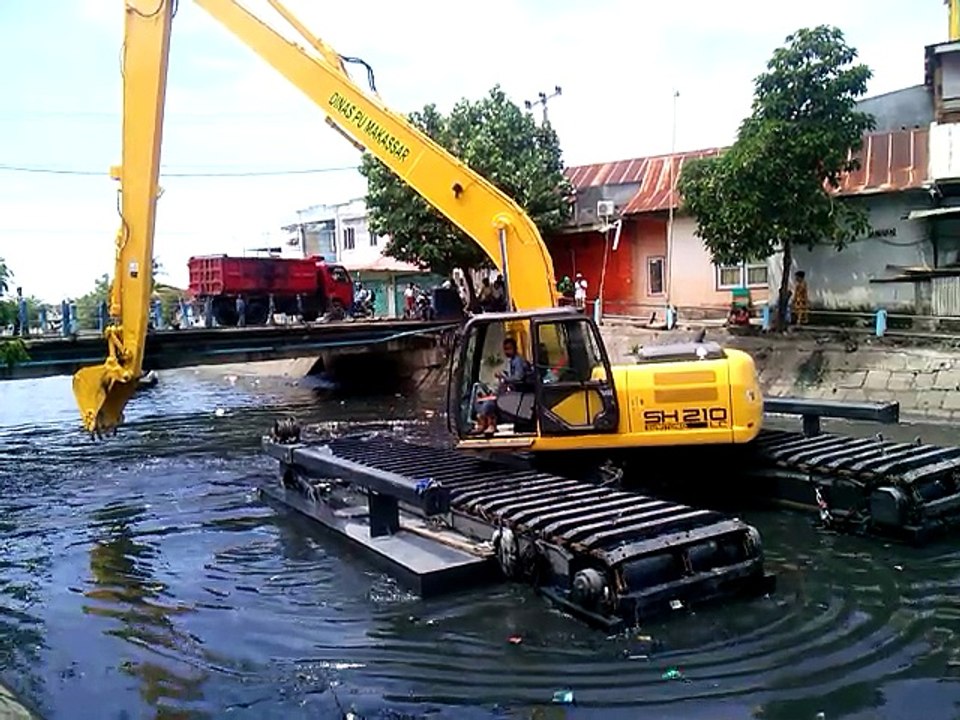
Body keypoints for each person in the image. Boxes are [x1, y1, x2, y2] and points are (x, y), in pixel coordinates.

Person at [474, 337, 531, 436]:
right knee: (485, 398)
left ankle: (491, 424)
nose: (506, 351)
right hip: (513, 391)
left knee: (491, 402)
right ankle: (483, 422)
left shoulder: (518, 361)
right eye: (505, 349)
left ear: (515, 348)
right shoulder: (512, 361)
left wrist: (504, 378)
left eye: (509, 349)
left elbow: (519, 377)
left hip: (518, 393)